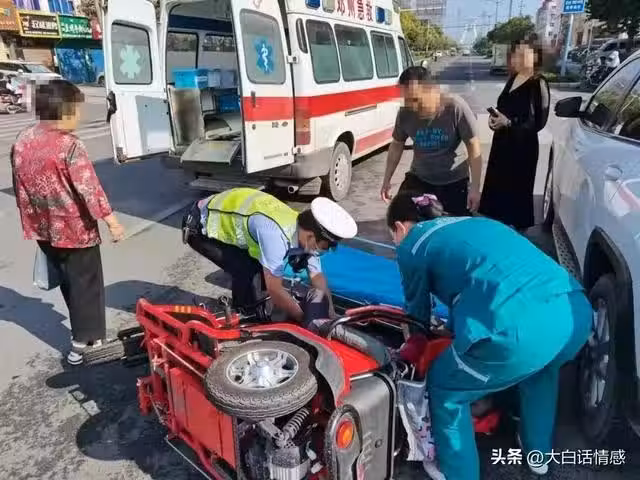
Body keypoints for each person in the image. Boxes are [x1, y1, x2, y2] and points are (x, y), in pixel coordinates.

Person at [387, 192, 592, 480]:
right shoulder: (478, 223)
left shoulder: (414, 243)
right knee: (540, 372)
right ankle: (538, 456)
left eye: (393, 237)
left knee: (446, 387)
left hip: (516, 330)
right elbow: (479, 285)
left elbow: (416, 313)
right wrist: (455, 330)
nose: (396, 243)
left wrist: (413, 351)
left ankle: (456, 471)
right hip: (574, 314)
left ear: (399, 227)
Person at [11, 79, 125, 366]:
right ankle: (83, 344)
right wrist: (112, 222)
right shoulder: (69, 145)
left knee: (69, 283)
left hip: (44, 230)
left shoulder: (24, 139)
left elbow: (19, 185)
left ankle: (87, 336)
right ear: (64, 110)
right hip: (75, 231)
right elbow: (89, 189)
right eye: (77, 109)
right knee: (86, 285)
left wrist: (32, 219)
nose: (80, 116)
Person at [183, 188, 357, 324]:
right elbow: (275, 290)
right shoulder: (276, 234)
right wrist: (305, 320)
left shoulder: (304, 230)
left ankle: (248, 309)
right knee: (248, 269)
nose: (321, 252)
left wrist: (331, 312)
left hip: (233, 220)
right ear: (310, 236)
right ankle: (242, 315)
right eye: (322, 247)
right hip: (199, 226)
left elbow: (317, 277)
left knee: (260, 273)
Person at [380, 66, 483, 217]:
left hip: (453, 180)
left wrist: (475, 188)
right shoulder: (405, 112)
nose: (412, 106)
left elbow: (473, 146)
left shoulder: (455, 107)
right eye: (406, 99)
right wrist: (386, 180)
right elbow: (396, 145)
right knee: (401, 215)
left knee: (453, 224)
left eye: (416, 99)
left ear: (433, 90)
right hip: (420, 178)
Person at [479, 40, 550, 231]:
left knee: (516, 193)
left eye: (523, 54)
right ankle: (497, 229)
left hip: (522, 147)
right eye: (516, 54)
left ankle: (515, 233)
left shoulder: (538, 83)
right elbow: (503, 108)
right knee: (497, 191)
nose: (518, 58)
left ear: (535, 56)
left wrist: (510, 123)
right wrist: (494, 120)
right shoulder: (513, 78)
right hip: (502, 143)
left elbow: (539, 122)